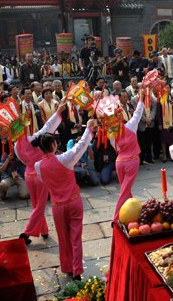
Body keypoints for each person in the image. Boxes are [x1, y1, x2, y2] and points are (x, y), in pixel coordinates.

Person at [35, 118, 98, 281]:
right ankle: (77, 270)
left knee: (63, 238)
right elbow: (82, 145)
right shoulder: (65, 159)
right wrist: (89, 128)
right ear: (54, 145)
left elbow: (44, 181)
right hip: (74, 201)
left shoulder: (38, 166)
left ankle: (68, 267)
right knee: (75, 237)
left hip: (57, 205)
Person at [16, 101, 65, 245]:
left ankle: (43, 230)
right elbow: (48, 126)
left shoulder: (17, 145)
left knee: (36, 204)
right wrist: (59, 111)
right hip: (39, 175)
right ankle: (26, 233)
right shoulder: (35, 139)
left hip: (28, 175)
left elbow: (22, 161)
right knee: (40, 206)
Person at [111, 90, 145, 222]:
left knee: (125, 189)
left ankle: (133, 210)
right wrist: (141, 98)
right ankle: (115, 219)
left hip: (119, 161)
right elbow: (138, 112)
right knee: (124, 191)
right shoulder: (130, 126)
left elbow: (116, 148)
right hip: (132, 161)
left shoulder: (112, 134)